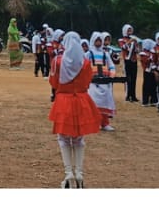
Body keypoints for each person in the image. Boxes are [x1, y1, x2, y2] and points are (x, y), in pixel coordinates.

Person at [49, 31, 101, 189]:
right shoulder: (85, 62)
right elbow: (87, 82)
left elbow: (53, 82)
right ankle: (79, 173)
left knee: (63, 139)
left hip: (63, 100)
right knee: (79, 139)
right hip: (81, 100)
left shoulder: (57, 61)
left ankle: (68, 173)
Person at [86, 32, 117, 130]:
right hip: (92, 83)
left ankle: (105, 123)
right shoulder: (88, 54)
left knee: (105, 102)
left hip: (105, 82)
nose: (98, 42)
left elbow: (111, 66)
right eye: (97, 40)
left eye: (100, 40)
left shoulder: (106, 54)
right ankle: (94, 122)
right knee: (94, 102)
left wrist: (112, 75)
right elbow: (83, 66)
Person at [119, 26, 139, 103]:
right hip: (126, 60)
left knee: (134, 78)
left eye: (130, 30)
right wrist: (130, 41)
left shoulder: (134, 39)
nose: (130, 31)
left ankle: (133, 96)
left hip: (134, 60)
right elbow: (123, 47)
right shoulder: (121, 40)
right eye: (128, 30)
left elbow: (137, 50)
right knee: (128, 78)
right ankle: (128, 95)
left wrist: (136, 43)